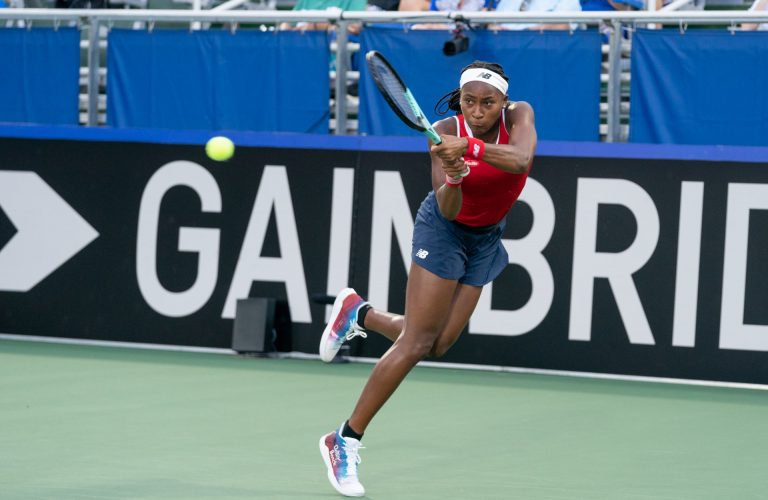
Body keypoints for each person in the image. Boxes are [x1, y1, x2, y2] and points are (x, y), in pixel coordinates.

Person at [317, 61, 537, 497]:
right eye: (470, 102)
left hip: (488, 237)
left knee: (438, 343)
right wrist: (453, 177)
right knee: (417, 342)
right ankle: (344, 439)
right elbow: (450, 208)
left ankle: (359, 313)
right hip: (444, 232)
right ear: (461, 100)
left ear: (503, 102)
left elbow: (521, 159)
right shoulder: (441, 129)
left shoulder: (519, 116)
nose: (477, 111)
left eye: (487, 103)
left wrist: (468, 152)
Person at [493, 0, 582, 31]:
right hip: (506, 54)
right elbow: (493, 24)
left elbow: (563, 26)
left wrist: (524, 32)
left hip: (545, 55)